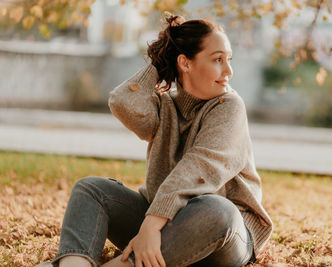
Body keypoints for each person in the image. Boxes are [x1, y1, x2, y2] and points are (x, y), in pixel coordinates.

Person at [36, 13, 273, 267]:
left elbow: (200, 166)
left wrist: (151, 224)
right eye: (218, 59)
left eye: (229, 59)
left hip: (224, 236)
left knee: (217, 209)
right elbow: (122, 102)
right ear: (185, 62)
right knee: (91, 189)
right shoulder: (164, 105)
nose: (228, 71)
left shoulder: (230, 106)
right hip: (163, 227)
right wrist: (160, 59)